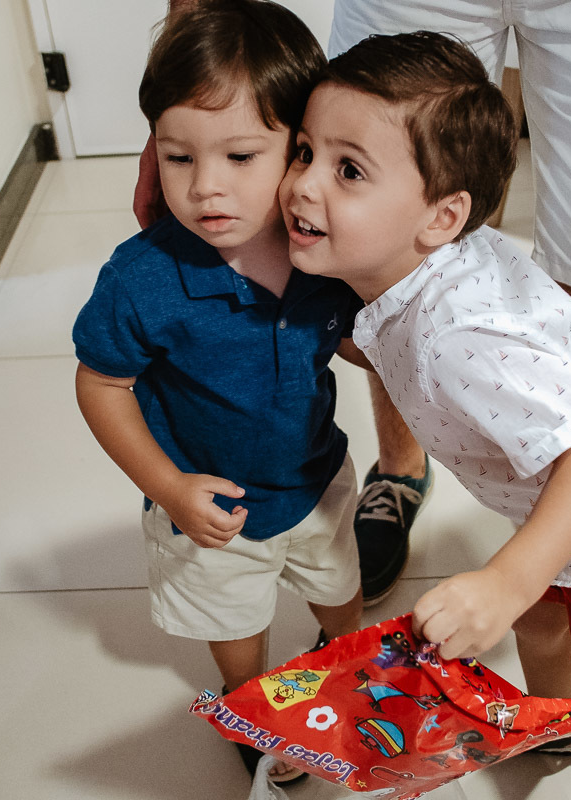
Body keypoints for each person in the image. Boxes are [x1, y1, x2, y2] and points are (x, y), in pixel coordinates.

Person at [279, 31, 571, 800]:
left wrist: (504, 581)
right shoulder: (417, 268)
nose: (302, 185)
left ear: (441, 215)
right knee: (540, 623)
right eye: (303, 152)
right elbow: (390, 348)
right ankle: (552, 726)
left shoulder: (462, 337)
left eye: (348, 170)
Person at [73, 0, 367, 784]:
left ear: (299, 151)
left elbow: (353, 333)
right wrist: (167, 485)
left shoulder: (325, 248)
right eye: (178, 158)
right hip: (209, 506)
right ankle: (250, 706)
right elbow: (101, 383)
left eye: (241, 157)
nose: (206, 189)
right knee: (235, 622)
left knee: (342, 591)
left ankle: (345, 666)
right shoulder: (141, 279)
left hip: (315, 478)